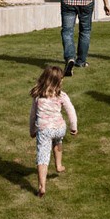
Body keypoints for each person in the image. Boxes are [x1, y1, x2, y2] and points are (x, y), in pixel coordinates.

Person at [29, 65, 78, 197]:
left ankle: (42, 186)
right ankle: (59, 165)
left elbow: (33, 116)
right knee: (57, 142)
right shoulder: (62, 95)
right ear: (56, 82)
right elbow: (71, 111)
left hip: (44, 130)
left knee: (42, 156)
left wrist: (32, 130)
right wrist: (74, 127)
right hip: (59, 128)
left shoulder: (38, 96)